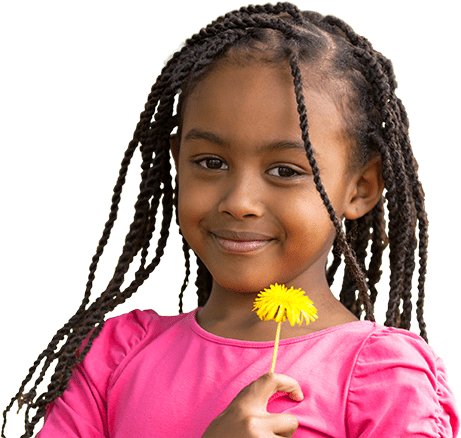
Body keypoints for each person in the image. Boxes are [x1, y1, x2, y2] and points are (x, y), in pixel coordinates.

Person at [2, 2, 459, 437]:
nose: (239, 201)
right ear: (176, 159)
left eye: (285, 171)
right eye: (210, 162)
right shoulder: (112, 358)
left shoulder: (379, 379)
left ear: (360, 188)